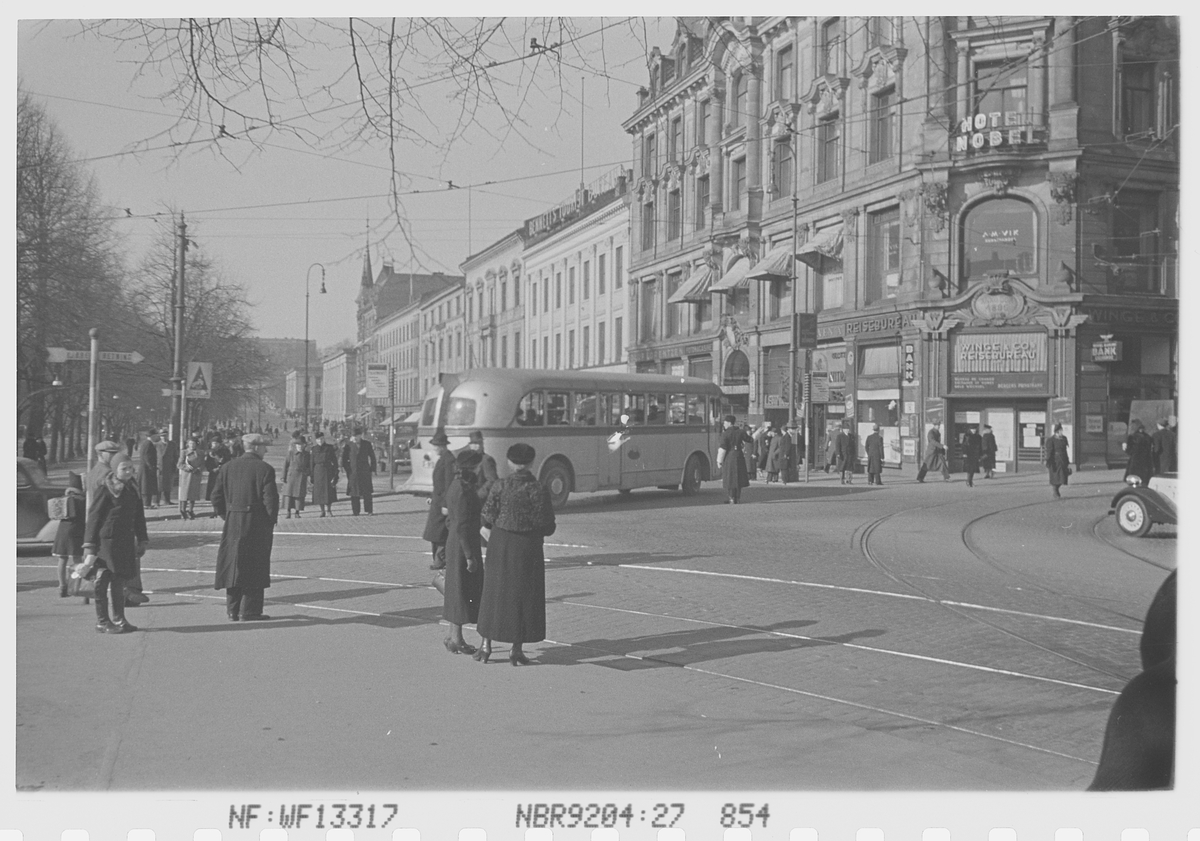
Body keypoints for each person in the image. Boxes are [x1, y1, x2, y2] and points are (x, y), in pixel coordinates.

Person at [474, 442, 556, 666]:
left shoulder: (500, 485)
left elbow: (488, 514)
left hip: (500, 544)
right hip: (527, 547)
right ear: (530, 463)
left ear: (509, 463)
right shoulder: (538, 488)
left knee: (493, 593)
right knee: (523, 596)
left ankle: (485, 645)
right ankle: (516, 650)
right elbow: (548, 525)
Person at [211, 433, 280, 621]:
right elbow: (270, 501)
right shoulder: (265, 469)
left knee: (233, 563)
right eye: (264, 447)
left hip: (233, 520)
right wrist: (269, 522)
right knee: (255, 564)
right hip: (256, 522)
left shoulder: (227, 467)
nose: (265, 450)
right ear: (256, 448)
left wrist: (228, 515)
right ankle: (250, 610)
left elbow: (215, 497)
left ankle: (232, 609)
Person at [79, 458, 148, 634]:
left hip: (124, 541)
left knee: (120, 580)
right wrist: (89, 544)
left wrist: (142, 539)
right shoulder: (107, 488)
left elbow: (139, 516)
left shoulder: (133, 489)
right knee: (102, 580)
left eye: (131, 468)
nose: (129, 472)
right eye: (124, 468)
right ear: (115, 470)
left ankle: (119, 619)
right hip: (106, 541)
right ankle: (102, 621)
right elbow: (94, 517)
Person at [441, 448, 485, 655]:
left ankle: (453, 636)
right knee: (461, 590)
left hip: (458, 541)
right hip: (463, 544)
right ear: (472, 467)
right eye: (477, 465)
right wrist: (469, 555)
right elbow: (460, 524)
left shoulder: (457, 485)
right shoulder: (462, 489)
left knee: (457, 590)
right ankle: (455, 638)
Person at [422, 430, 454, 568]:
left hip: (442, 504)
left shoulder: (449, 460)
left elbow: (448, 483)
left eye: (436, 446)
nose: (434, 448)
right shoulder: (443, 458)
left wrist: (446, 504)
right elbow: (439, 483)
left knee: (440, 533)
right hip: (437, 501)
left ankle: (440, 560)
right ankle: (438, 559)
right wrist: (432, 496)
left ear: (442, 446)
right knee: (435, 533)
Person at [53, 472, 87, 599]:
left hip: (62, 531)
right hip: (76, 531)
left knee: (62, 558)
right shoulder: (83, 500)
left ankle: (62, 587)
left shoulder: (63, 499)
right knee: (77, 559)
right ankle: (76, 585)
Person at [341, 427, 376, 515]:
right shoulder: (348, 446)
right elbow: (344, 459)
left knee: (367, 492)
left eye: (357, 436)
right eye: (353, 436)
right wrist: (347, 470)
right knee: (354, 492)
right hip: (353, 472)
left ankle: (369, 510)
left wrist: (372, 469)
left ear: (360, 436)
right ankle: (356, 511)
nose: (355, 438)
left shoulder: (367, 444)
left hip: (365, 471)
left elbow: (372, 457)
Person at [716, 415, 750, 504]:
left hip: (729, 457)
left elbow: (723, 448)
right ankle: (737, 498)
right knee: (739, 477)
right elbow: (750, 439)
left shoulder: (725, 434)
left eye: (725, 422)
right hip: (739, 456)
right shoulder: (741, 432)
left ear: (729, 423)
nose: (724, 424)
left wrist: (719, 461)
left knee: (730, 478)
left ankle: (731, 498)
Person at [463, 429, 500, 501]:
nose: (476, 446)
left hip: (480, 500)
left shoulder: (486, 460)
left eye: (478, 443)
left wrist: (478, 495)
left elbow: (492, 480)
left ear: (482, 444)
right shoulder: (468, 460)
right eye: (473, 444)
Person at [309, 430, 339, 517]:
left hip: (328, 471)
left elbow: (334, 460)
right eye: (318, 439)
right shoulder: (314, 449)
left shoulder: (329, 448)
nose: (320, 441)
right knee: (319, 492)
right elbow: (311, 463)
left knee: (328, 491)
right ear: (316, 440)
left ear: (324, 439)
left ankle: (329, 510)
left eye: (321, 439)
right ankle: (322, 510)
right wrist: (312, 475)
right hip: (318, 471)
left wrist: (336, 472)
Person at [282, 436, 311, 518]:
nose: (300, 446)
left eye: (301, 445)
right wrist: (283, 476)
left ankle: (297, 512)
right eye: (298, 445)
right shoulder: (291, 453)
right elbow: (285, 465)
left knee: (299, 495)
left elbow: (309, 466)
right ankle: (288, 512)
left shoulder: (307, 455)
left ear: (304, 445)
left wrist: (307, 473)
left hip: (301, 477)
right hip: (290, 477)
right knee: (289, 495)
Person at [177, 437, 205, 519]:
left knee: (193, 494)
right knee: (184, 494)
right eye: (190, 443)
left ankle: (190, 510)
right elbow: (179, 464)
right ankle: (182, 510)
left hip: (196, 475)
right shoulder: (184, 452)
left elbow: (203, 463)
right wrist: (187, 468)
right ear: (187, 444)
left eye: (194, 443)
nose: (192, 445)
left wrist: (199, 469)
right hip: (186, 475)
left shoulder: (200, 453)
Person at [1123, 419, 1154, 485]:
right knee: (1145, 481)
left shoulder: (1132, 437)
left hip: (1135, 462)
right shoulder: (1148, 437)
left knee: (1133, 480)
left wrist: (1125, 448)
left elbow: (1129, 451)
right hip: (1146, 462)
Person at [204, 437, 233, 508]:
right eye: (212, 443)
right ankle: (212, 501)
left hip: (222, 471)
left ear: (219, 444)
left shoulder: (225, 450)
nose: (213, 445)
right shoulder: (210, 452)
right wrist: (211, 469)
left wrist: (220, 466)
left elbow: (227, 461)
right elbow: (207, 462)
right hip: (213, 472)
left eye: (215, 443)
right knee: (212, 486)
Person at [1045, 422, 1071, 498]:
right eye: (1060, 431)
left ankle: (1056, 489)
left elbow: (1065, 450)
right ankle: (1055, 491)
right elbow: (1049, 451)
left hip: (1063, 460)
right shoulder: (1051, 440)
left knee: (1063, 477)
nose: (1061, 432)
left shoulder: (1064, 439)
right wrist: (1048, 460)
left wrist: (1067, 460)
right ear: (1057, 432)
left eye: (1062, 430)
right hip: (1055, 461)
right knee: (1055, 477)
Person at [136, 429, 160, 509]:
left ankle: (147, 504)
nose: (157, 437)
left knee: (147, 486)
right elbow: (147, 457)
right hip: (146, 469)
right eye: (156, 435)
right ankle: (146, 504)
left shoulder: (147, 443)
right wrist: (151, 467)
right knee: (146, 486)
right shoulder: (148, 444)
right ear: (152, 436)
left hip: (146, 468)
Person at [158, 434, 178, 506]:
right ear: (160, 437)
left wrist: (176, 465)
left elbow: (175, 455)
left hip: (169, 466)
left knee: (168, 484)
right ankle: (157, 501)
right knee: (159, 484)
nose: (164, 437)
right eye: (162, 436)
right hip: (159, 467)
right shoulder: (157, 445)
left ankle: (167, 500)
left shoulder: (172, 444)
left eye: (165, 436)